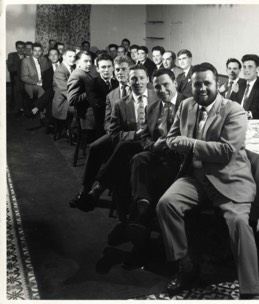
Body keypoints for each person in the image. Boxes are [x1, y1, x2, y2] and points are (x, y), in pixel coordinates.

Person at [156, 62, 259, 299]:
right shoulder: (185, 105)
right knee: (166, 204)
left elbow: (227, 151)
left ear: (218, 85)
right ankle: (186, 265)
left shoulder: (234, 110)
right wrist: (178, 142)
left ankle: (250, 291)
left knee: (239, 224)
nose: (202, 88)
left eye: (207, 83)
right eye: (197, 83)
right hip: (195, 178)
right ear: (190, 84)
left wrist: (190, 144)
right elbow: (172, 138)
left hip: (229, 179)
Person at [108, 68, 185, 265]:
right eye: (157, 86)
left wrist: (170, 144)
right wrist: (154, 146)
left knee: (146, 173)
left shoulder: (188, 105)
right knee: (137, 159)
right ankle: (142, 208)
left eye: (166, 84)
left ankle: (139, 222)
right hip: (157, 156)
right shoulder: (152, 107)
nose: (162, 89)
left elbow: (193, 138)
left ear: (175, 82)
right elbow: (145, 137)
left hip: (180, 161)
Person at [69, 65, 156, 212]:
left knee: (122, 149)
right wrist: (134, 135)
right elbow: (112, 128)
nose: (138, 82)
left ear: (148, 79)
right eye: (134, 78)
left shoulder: (157, 97)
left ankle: (99, 188)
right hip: (128, 137)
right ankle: (86, 189)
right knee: (99, 147)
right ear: (129, 81)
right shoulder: (117, 99)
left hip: (149, 141)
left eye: (142, 78)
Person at [232, 54, 259, 123]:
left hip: (252, 125)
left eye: (250, 67)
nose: (246, 70)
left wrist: (248, 114)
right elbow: (232, 105)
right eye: (244, 67)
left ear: (257, 69)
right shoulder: (240, 84)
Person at [86, 53, 119, 138]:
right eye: (103, 67)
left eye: (109, 66)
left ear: (113, 68)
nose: (106, 70)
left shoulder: (117, 83)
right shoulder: (92, 83)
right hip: (101, 120)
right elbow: (96, 104)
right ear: (97, 69)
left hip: (117, 119)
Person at [26, 48, 60, 127]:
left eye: (55, 54)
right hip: (53, 93)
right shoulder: (47, 72)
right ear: (49, 57)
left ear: (59, 56)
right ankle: (50, 122)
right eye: (51, 55)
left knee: (50, 93)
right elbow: (45, 86)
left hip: (65, 90)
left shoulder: (65, 66)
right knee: (50, 94)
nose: (53, 56)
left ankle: (36, 109)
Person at [67, 51, 95, 132]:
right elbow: (72, 100)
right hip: (86, 116)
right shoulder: (77, 75)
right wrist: (90, 92)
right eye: (86, 61)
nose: (89, 64)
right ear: (77, 62)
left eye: (90, 61)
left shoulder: (84, 73)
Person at [104, 55, 131, 133]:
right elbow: (107, 121)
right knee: (93, 145)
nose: (120, 72)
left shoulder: (138, 89)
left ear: (130, 70)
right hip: (118, 134)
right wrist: (112, 133)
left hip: (137, 134)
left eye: (124, 69)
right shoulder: (110, 95)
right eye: (117, 70)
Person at [52, 48, 76, 137]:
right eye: (70, 56)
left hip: (68, 99)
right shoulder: (59, 70)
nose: (72, 59)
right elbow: (66, 90)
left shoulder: (72, 68)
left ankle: (74, 130)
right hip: (62, 102)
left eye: (74, 56)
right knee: (81, 110)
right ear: (64, 57)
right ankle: (72, 131)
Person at [20, 43, 51, 109]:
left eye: (39, 51)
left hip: (42, 82)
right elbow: (24, 77)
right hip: (31, 84)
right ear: (32, 51)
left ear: (42, 51)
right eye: (35, 50)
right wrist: (37, 82)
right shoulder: (26, 61)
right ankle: (41, 115)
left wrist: (43, 81)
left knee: (51, 91)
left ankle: (40, 110)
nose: (37, 53)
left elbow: (47, 73)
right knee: (42, 92)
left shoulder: (44, 60)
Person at [7, 41, 26, 115]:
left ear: (24, 48)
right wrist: (21, 63)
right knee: (18, 90)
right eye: (18, 48)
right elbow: (10, 68)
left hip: (26, 78)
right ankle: (19, 108)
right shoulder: (12, 55)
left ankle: (25, 107)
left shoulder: (26, 55)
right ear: (16, 48)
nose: (20, 50)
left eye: (22, 48)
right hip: (16, 78)